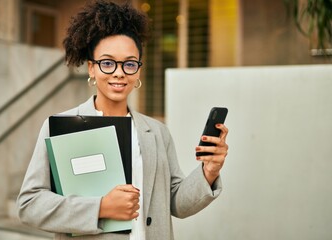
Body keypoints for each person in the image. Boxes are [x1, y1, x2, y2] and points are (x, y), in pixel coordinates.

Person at [17, 1, 229, 239]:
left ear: (138, 70)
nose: (119, 72)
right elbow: (30, 205)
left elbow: (177, 203)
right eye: (107, 63)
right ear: (91, 68)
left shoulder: (157, 132)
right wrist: (101, 208)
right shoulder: (61, 126)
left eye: (129, 64)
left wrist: (209, 171)